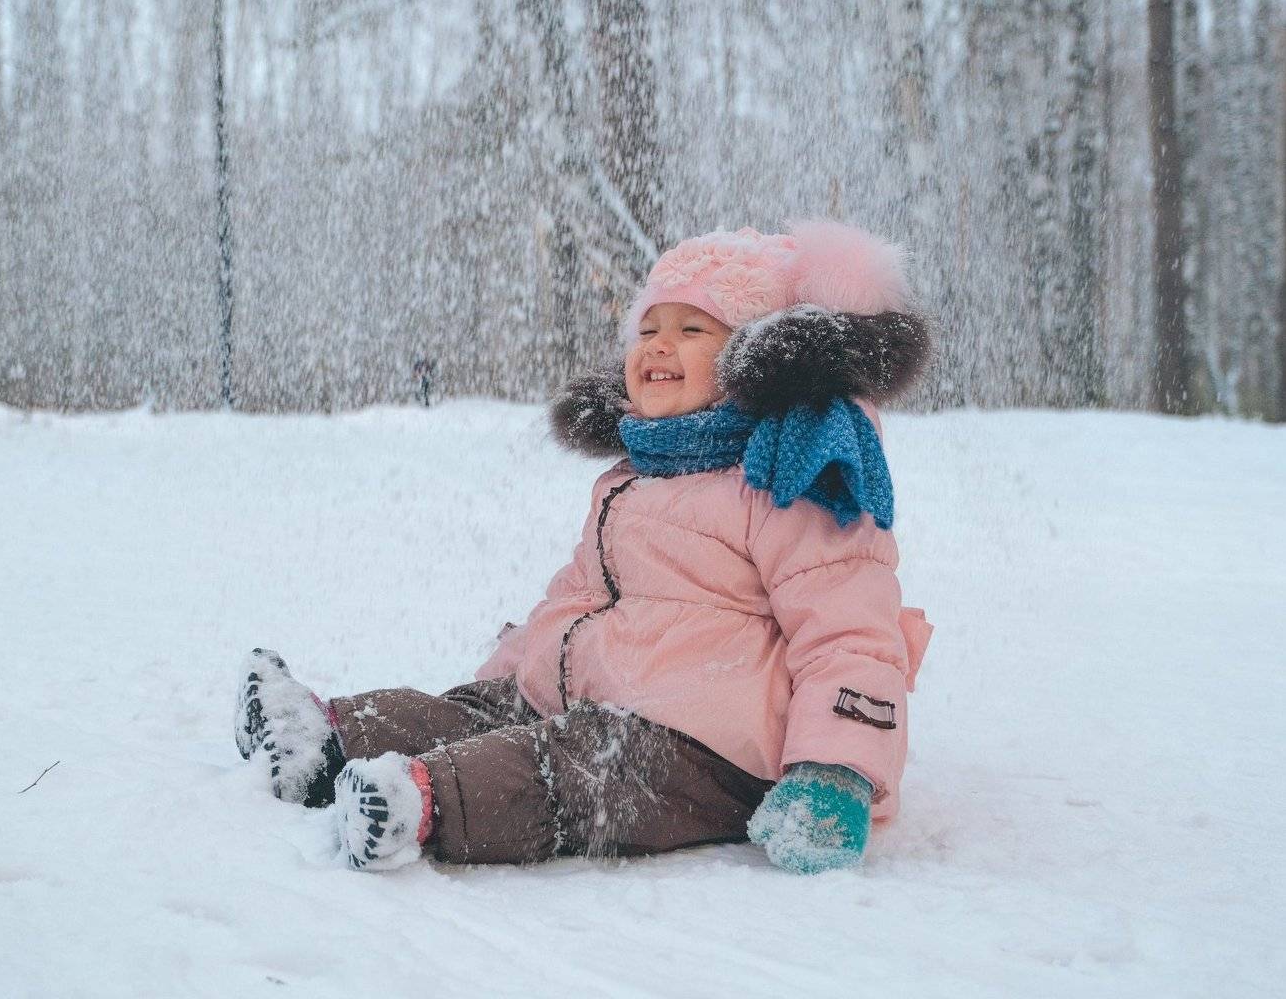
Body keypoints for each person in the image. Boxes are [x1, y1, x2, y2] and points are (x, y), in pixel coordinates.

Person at [235, 220, 935, 874]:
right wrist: (521, 668)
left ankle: (422, 802)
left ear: (753, 359)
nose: (657, 346)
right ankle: (320, 741)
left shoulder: (795, 474)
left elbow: (851, 635)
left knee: (571, 766)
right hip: (608, 697)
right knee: (492, 710)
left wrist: (833, 770)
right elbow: (578, 594)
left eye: (692, 329)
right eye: (647, 329)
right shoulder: (635, 475)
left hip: (707, 747)